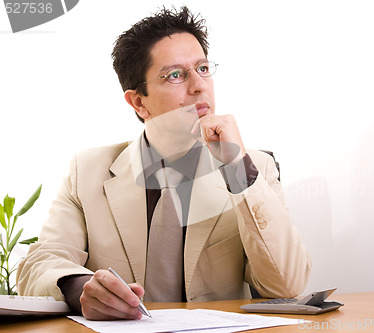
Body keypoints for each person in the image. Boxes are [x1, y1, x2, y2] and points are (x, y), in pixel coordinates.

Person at [17, 6, 311, 320]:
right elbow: (40, 264)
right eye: (175, 75)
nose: (199, 86)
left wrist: (236, 167)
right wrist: (82, 288)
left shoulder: (254, 168)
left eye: (202, 68)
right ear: (138, 102)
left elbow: (286, 287)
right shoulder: (87, 171)